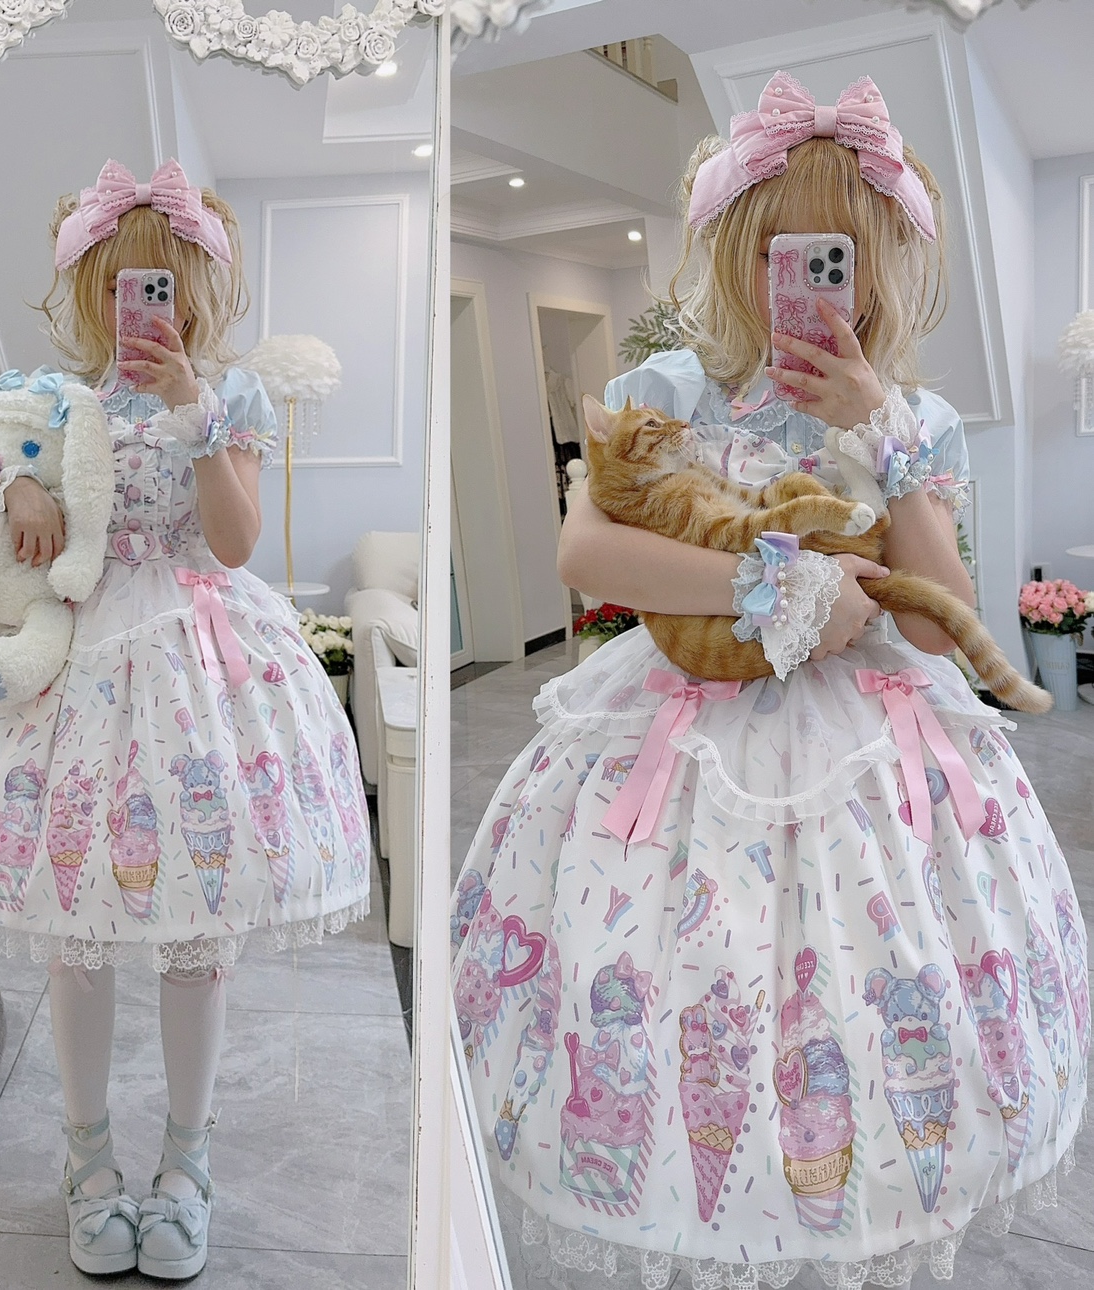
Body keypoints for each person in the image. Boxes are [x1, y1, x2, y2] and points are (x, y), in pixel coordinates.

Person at [451, 72, 1089, 1288]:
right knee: (702, 986)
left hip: (873, 753)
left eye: (840, 256)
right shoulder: (666, 395)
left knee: (856, 998)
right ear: (737, 251)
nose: (807, 282)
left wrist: (882, 430)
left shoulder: (919, 421)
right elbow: (587, 556)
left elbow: (943, 624)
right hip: (682, 725)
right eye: (783, 251)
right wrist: (781, 591)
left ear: (884, 264)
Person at [0, 159, 371, 1279]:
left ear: (201, 287)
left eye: (164, 283)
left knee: (197, 940)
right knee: (79, 936)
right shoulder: (46, 403)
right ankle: (88, 1161)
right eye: (120, 284)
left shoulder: (232, 399)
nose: (141, 307)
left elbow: (235, 544)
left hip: (196, 672)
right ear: (87, 291)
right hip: (72, 675)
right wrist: (13, 487)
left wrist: (196, 409)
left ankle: (187, 1165)